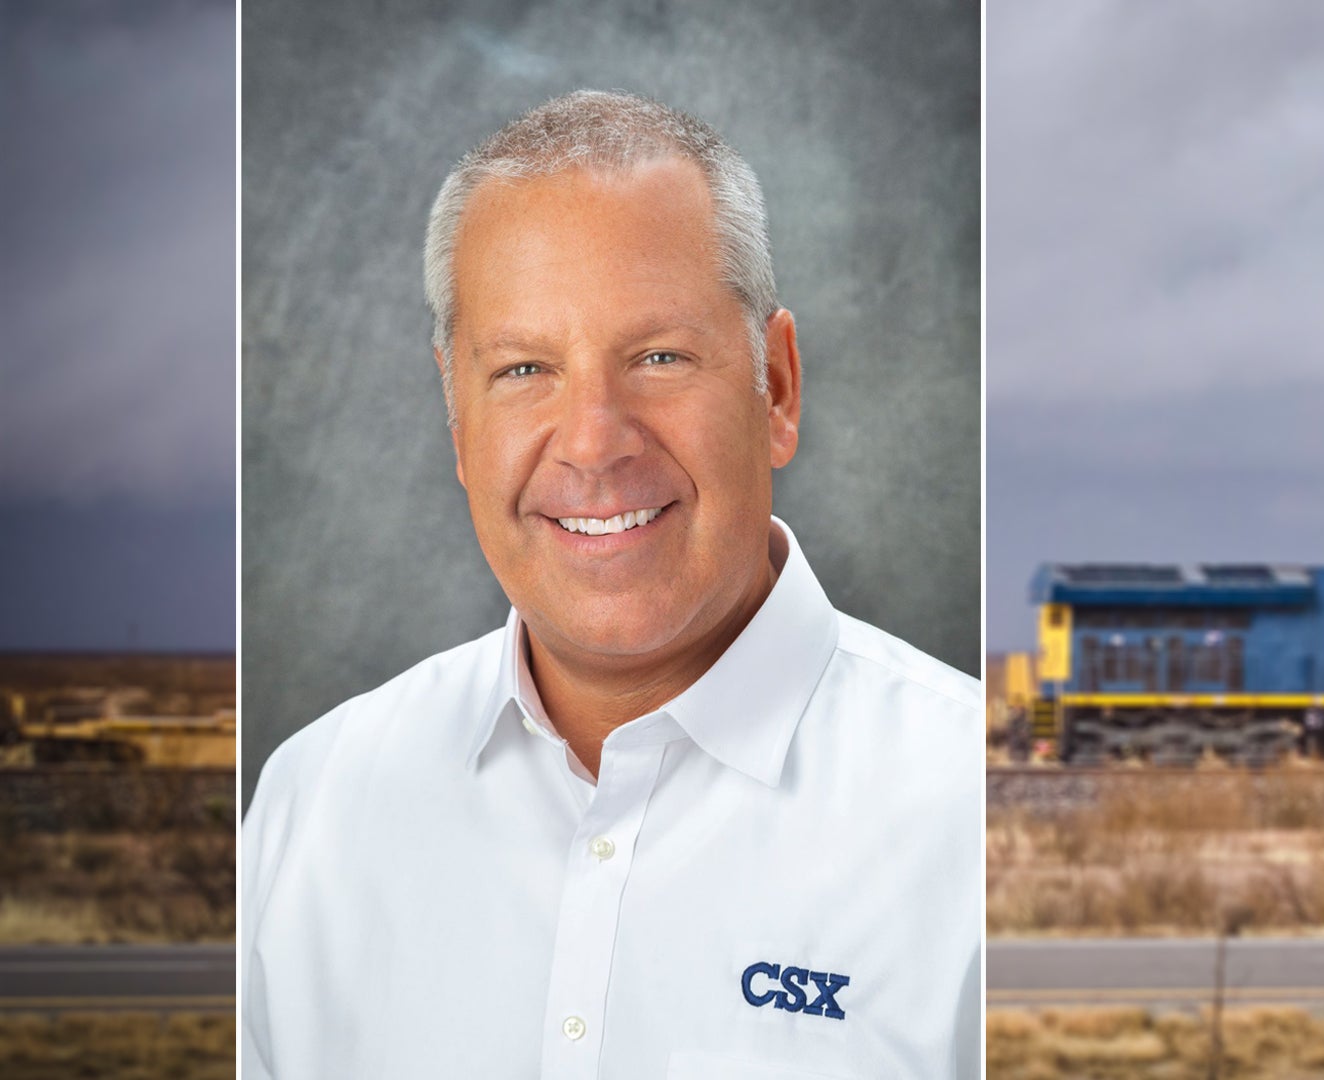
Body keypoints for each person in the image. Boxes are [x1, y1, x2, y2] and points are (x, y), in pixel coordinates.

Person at [241, 91, 982, 1079]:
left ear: (778, 389)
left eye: (659, 357)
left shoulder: (973, 819)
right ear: (456, 416)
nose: (593, 442)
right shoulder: (315, 806)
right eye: (523, 370)